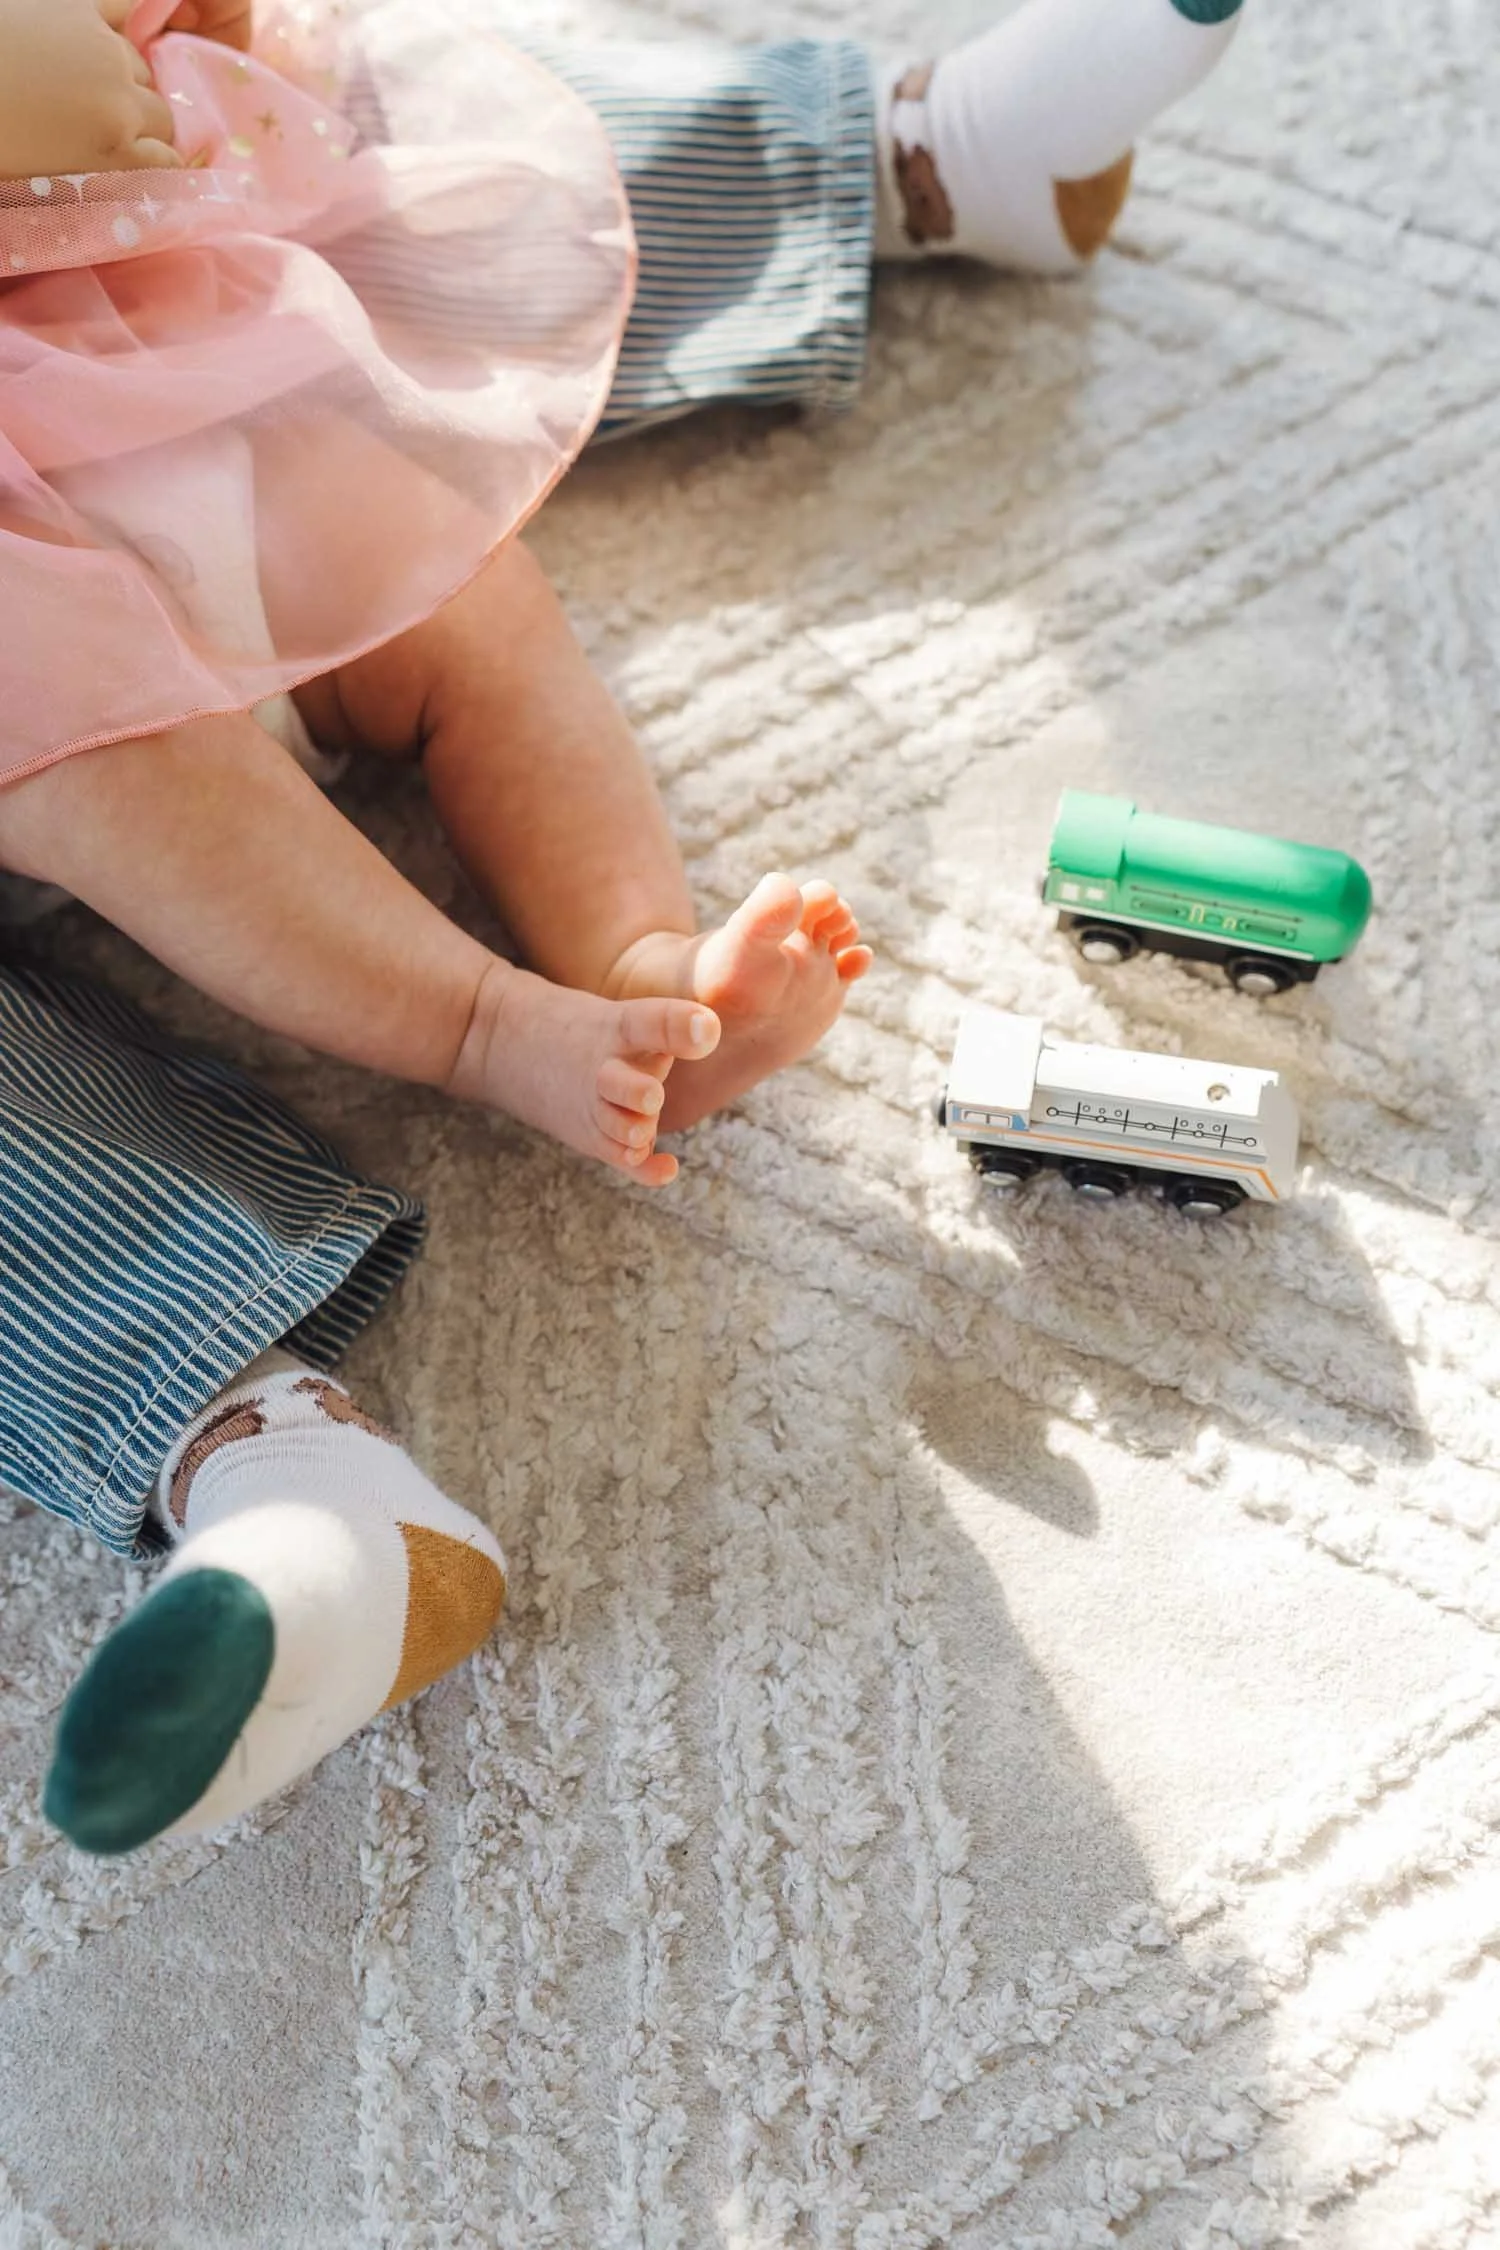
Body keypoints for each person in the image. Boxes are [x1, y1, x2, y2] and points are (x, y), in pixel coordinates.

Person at [0, 0, 1247, 1854]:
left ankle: (921, 161)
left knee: (392, 195)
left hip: (118, 327)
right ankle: (275, 1470)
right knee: (114, 793)